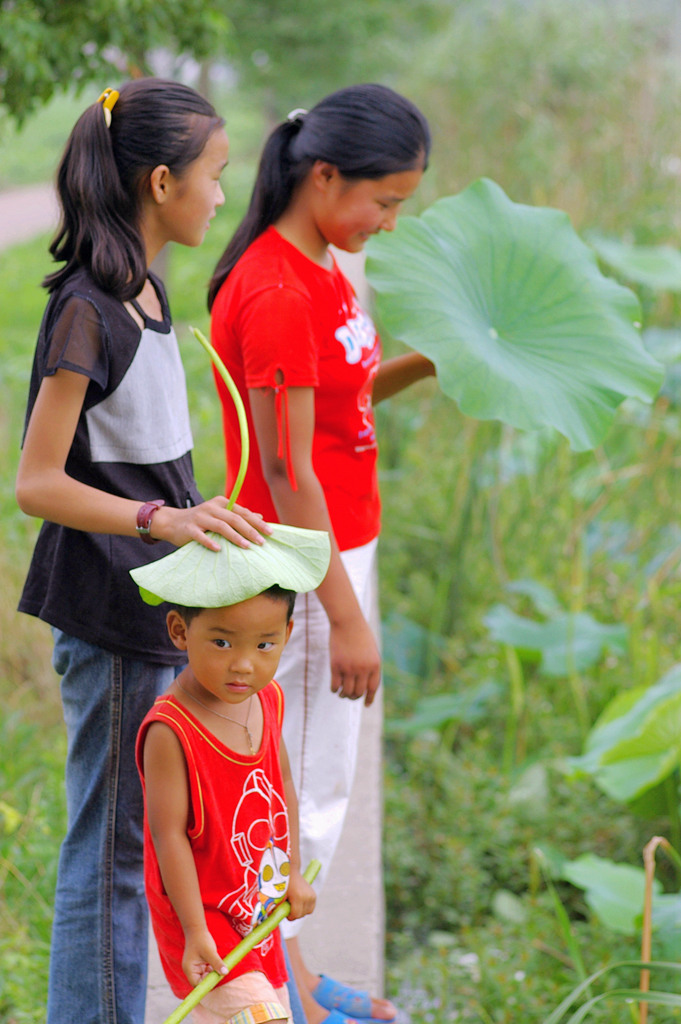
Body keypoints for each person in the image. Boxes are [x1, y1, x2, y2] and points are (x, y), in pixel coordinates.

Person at [14, 78, 271, 1024]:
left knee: (136, 844)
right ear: (162, 181)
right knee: (112, 849)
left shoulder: (148, 290)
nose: (221, 194)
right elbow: (37, 483)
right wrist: (163, 522)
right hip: (112, 608)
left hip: (156, 601)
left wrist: (192, 507)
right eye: (215, 175)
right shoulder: (88, 306)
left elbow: (136, 461)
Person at [207, 83, 435, 1024]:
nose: (384, 222)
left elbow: (336, 407)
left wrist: (428, 361)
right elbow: (290, 470)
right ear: (324, 175)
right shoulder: (275, 288)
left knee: (312, 778)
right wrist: (344, 615)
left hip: (337, 547)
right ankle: (277, 995)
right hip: (298, 566)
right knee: (295, 787)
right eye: (381, 202)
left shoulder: (321, 264)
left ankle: (293, 979)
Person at [132, 524, 330, 1024]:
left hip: (257, 908)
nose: (243, 665)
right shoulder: (171, 730)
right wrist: (196, 931)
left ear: (287, 634)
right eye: (221, 642)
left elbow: (282, 787)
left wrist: (292, 875)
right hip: (206, 921)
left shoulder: (269, 700)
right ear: (180, 631)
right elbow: (168, 836)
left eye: (265, 645)